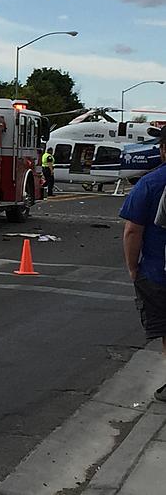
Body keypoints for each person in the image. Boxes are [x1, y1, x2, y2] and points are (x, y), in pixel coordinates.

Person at [121, 131, 166, 402]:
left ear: (162, 150)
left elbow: (132, 231)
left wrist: (133, 268)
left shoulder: (149, 184)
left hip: (158, 272)